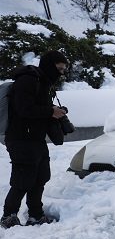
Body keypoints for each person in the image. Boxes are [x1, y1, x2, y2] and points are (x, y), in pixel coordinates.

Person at [2, 50, 69, 228]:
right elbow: (24, 109)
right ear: (49, 65)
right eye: (59, 68)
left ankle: (36, 215)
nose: (61, 73)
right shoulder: (28, 80)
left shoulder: (44, 82)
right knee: (23, 179)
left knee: (40, 177)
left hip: (36, 138)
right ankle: (8, 216)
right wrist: (50, 111)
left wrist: (54, 110)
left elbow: (36, 107)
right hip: (20, 138)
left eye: (63, 69)